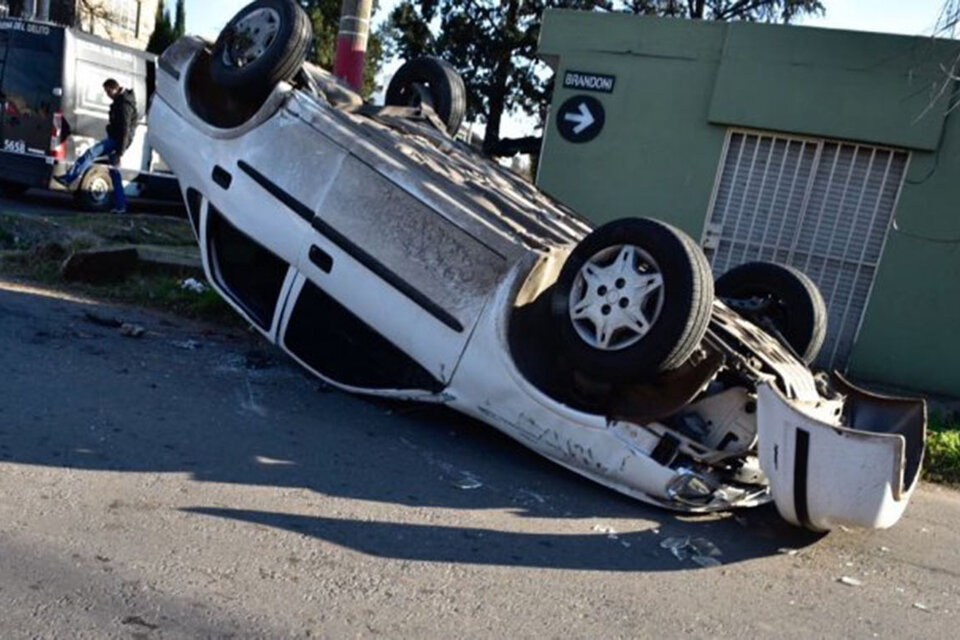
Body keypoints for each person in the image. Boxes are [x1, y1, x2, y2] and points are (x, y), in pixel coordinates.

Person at [55, 79, 138, 214]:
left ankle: (69, 178)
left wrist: (120, 153)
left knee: (91, 153)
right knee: (115, 174)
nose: (107, 95)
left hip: (117, 141)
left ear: (114, 89)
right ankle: (121, 205)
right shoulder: (122, 101)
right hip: (117, 140)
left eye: (107, 91)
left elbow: (125, 129)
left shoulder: (124, 105)